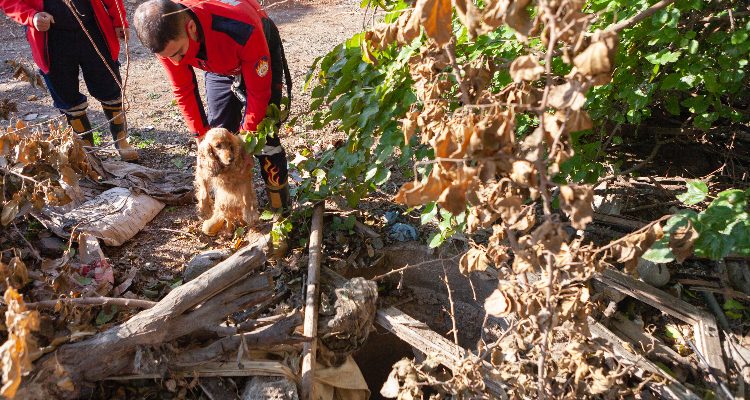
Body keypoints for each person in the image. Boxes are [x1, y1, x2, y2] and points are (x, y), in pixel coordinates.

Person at [133, 0, 292, 212]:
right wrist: (200, 134)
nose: (178, 62)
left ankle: (280, 209)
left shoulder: (241, 28)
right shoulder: (166, 38)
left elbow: (258, 92)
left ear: (190, 27)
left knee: (265, 139)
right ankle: (229, 209)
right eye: (170, 57)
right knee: (218, 137)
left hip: (253, 49)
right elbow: (183, 89)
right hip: (218, 63)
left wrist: (246, 138)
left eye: (179, 53)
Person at [0, 0, 139, 161]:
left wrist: (119, 19)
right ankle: (87, 149)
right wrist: (32, 16)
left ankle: (121, 140)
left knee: (109, 86)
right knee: (66, 95)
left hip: (93, 26)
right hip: (51, 36)